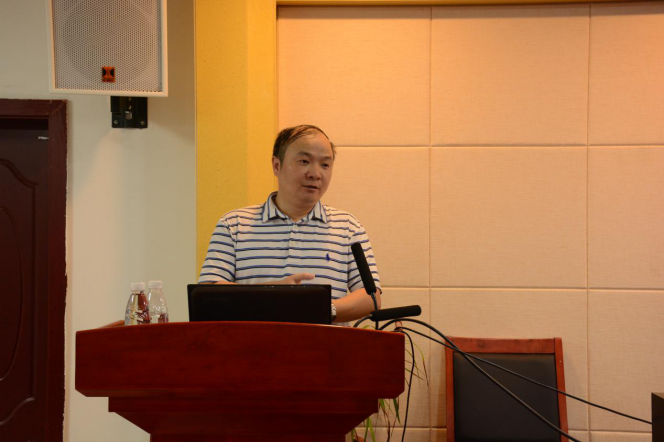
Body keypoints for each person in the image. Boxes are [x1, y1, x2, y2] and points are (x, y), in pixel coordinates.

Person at [198, 125, 381, 323]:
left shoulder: (348, 227)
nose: (315, 173)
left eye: (325, 164)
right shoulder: (233, 224)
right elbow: (209, 294)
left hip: (326, 343)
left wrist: (322, 309)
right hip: (253, 342)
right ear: (277, 165)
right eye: (304, 161)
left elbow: (371, 297)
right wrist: (272, 296)